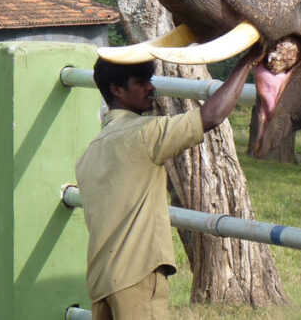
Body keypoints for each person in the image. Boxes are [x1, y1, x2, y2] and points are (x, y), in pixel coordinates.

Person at [75, 48, 261, 320]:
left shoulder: (89, 153)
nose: (151, 88)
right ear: (116, 89)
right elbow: (211, 116)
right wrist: (246, 62)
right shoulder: (144, 133)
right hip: (135, 275)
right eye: (140, 82)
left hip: (101, 281)